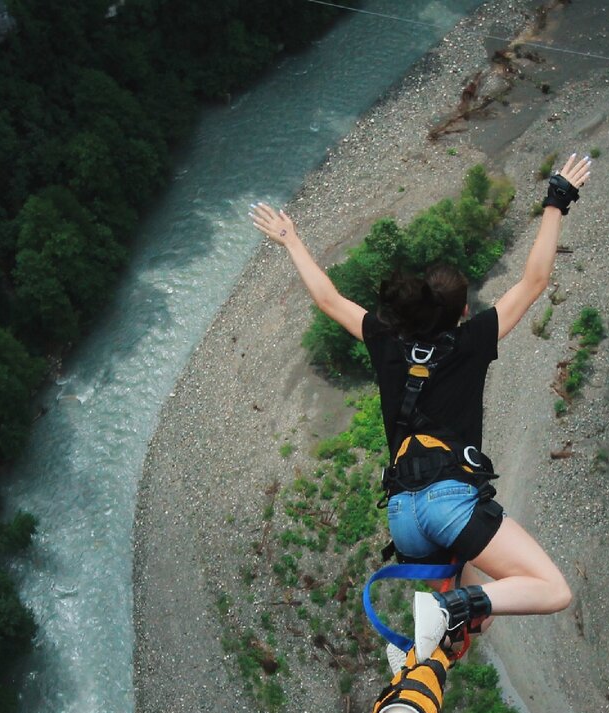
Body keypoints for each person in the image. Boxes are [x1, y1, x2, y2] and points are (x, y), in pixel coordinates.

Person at [250, 152, 591, 665]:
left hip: (404, 515)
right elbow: (534, 281)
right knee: (549, 588)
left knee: (479, 615)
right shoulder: (472, 340)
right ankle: (450, 606)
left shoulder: (386, 341)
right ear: (461, 312)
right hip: (447, 501)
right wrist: (557, 199)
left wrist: (291, 239)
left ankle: (433, 642)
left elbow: (328, 299)